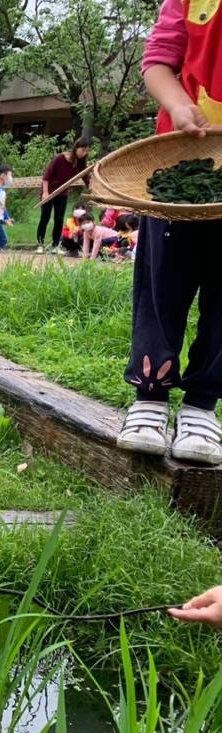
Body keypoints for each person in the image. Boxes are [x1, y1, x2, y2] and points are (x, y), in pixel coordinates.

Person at [115, 0, 222, 465]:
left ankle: (202, 405)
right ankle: (151, 398)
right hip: (180, 162)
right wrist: (179, 105)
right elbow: (158, 60)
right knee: (162, 286)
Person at [36, 138, 91, 254]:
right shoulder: (60, 158)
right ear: (76, 148)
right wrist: (45, 193)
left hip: (62, 192)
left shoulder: (81, 163)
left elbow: (86, 178)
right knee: (45, 218)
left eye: (86, 151)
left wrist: (93, 189)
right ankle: (40, 245)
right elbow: (46, 176)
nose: (84, 153)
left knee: (59, 219)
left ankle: (55, 246)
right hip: (50, 191)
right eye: (82, 150)